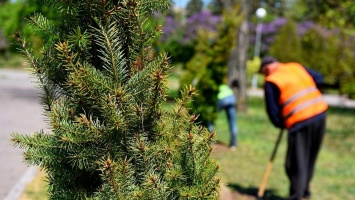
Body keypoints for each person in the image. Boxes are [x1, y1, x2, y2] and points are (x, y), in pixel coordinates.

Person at [258, 56, 328, 200]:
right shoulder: (295, 67)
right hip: (320, 114)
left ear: (266, 69)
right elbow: (319, 78)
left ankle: (297, 195)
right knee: (309, 157)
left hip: (300, 121)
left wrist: (281, 123)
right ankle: (304, 192)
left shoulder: (272, 80)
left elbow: (273, 112)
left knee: (295, 161)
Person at [217, 83, 238, 150]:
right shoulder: (224, 85)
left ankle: (209, 139)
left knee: (210, 117)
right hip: (232, 98)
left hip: (222, 99)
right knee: (232, 122)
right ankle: (233, 144)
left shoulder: (214, 82)